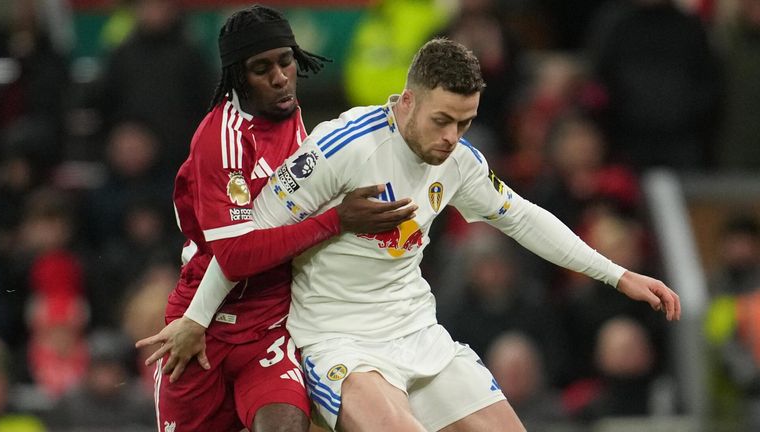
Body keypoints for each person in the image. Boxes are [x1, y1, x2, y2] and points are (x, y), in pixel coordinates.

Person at [141, 37, 680, 431]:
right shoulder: (340, 148)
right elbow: (243, 241)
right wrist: (196, 316)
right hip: (338, 343)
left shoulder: (460, 162)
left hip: (420, 334)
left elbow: (520, 215)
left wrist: (617, 274)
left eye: (464, 123)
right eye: (442, 120)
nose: (452, 138)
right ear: (408, 100)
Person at [136, 5, 416, 432]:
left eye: (285, 60)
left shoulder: (290, 110)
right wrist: (337, 220)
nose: (280, 76)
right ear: (236, 76)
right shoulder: (222, 140)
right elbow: (235, 256)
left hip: (269, 329)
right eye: (260, 68)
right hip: (202, 331)